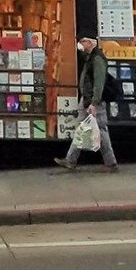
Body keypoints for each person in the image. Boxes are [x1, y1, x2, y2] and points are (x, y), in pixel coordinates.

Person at [54, 36, 118, 172]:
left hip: (93, 101)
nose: (81, 44)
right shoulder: (91, 58)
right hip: (88, 100)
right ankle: (71, 159)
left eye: (83, 41)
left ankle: (110, 162)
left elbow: (99, 83)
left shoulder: (97, 59)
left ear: (90, 43)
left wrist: (94, 102)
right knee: (84, 128)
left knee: (99, 130)